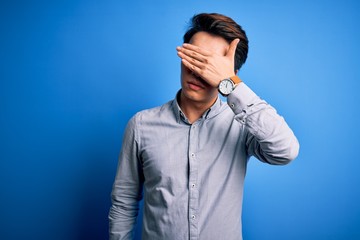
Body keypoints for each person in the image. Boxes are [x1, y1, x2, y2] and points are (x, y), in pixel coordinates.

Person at [109, 13, 299, 240]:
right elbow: (124, 202)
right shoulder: (140, 125)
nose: (196, 70)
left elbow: (285, 151)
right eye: (192, 58)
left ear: (231, 74)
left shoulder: (242, 125)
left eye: (209, 64)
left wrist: (230, 85)